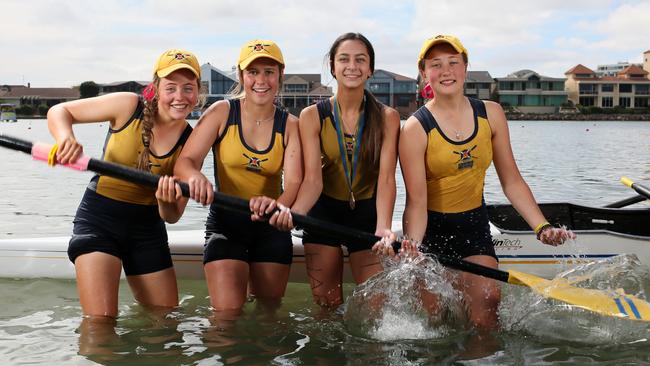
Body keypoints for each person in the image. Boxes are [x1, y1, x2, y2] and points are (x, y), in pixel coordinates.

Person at [375, 35, 575, 329]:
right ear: (424, 73)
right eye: (436, 65)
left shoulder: (490, 113)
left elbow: (513, 182)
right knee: (439, 325)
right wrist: (413, 246)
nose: (446, 71)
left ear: (465, 68)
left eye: (453, 63)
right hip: (431, 232)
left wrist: (541, 227)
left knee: (488, 306)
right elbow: (416, 202)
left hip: (473, 226)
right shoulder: (416, 128)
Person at [47, 49, 202, 318]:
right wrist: (65, 139)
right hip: (100, 221)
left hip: (148, 230)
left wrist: (165, 202)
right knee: (101, 324)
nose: (180, 97)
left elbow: (173, 215)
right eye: (171, 88)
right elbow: (60, 111)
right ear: (155, 88)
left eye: (188, 88)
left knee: (166, 326)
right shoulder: (128, 106)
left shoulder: (193, 139)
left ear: (198, 92)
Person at [254, 32, 400, 308]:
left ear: (370, 68)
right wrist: (294, 213)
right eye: (344, 59)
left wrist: (384, 227)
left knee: (376, 311)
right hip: (324, 215)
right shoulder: (312, 116)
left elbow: (386, 179)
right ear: (332, 67)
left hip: (368, 217)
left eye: (360, 60)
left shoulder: (387, 118)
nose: (352, 66)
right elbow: (312, 181)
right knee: (327, 308)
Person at [173, 39, 302, 313]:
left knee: (269, 324)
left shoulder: (290, 125)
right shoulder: (222, 112)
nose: (261, 80)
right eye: (253, 72)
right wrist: (194, 177)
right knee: (226, 320)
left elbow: (293, 183)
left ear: (280, 74)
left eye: (269, 71)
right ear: (242, 76)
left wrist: (280, 205)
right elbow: (185, 162)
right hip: (226, 225)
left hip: (271, 226)